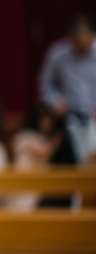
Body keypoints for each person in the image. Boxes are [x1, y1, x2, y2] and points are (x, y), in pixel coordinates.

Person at [38, 16, 96, 165]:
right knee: (70, 163)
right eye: (78, 44)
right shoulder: (57, 54)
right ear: (70, 39)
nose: (83, 48)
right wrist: (55, 99)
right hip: (68, 118)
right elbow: (45, 84)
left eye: (86, 43)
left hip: (94, 117)